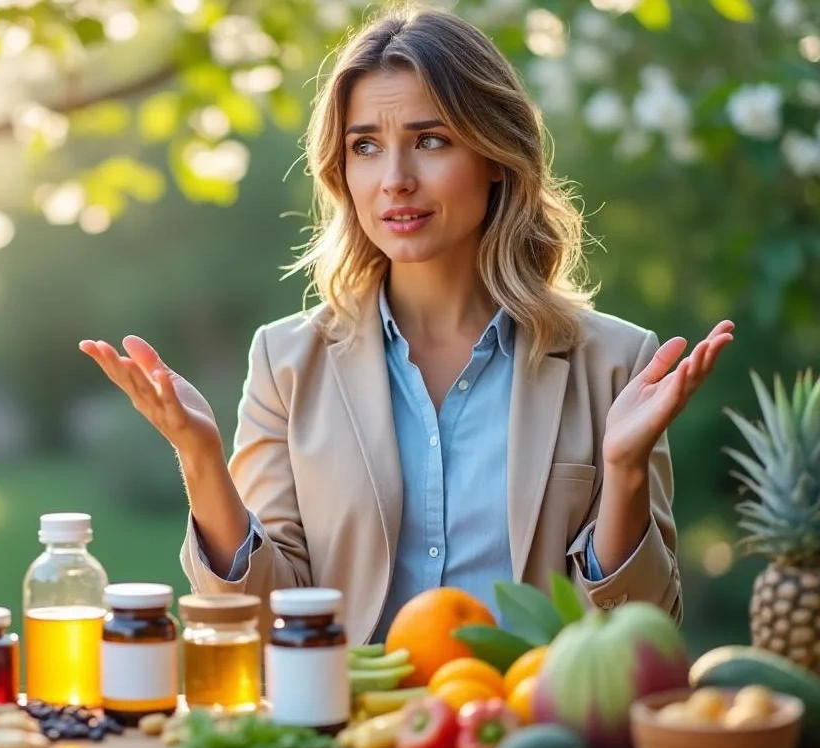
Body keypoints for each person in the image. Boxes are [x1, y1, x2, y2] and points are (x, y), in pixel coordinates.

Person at [78, 4, 733, 646]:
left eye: (430, 140)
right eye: (366, 146)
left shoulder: (614, 362)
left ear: (496, 156)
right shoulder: (284, 362)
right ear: (343, 171)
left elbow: (642, 636)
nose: (395, 180)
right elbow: (259, 619)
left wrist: (623, 472)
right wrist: (200, 460)